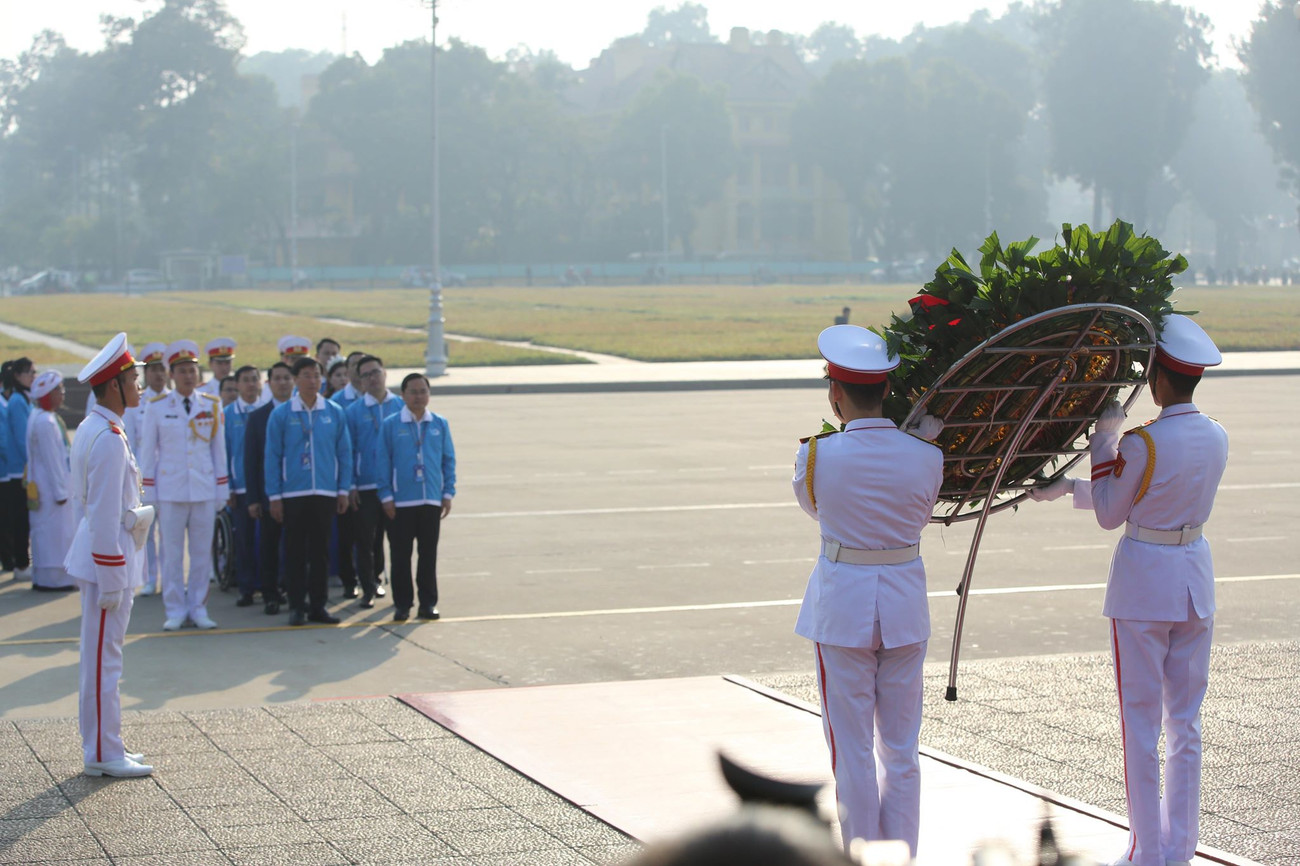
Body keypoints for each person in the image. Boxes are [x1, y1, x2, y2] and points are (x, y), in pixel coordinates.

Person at [1026, 315, 1228, 866]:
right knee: (1185, 725)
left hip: (1144, 588)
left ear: (1159, 375)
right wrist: (1068, 489)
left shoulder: (1143, 442)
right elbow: (1149, 496)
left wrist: (1103, 442)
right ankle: (1178, 850)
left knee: (1140, 725)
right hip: (1193, 581)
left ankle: (1146, 851)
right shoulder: (1216, 434)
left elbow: (1113, 512)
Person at [790, 325, 943, 857]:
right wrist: (914, 445)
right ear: (887, 389)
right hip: (903, 607)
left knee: (851, 751)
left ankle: (860, 856)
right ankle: (900, 857)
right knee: (901, 751)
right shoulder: (928, 455)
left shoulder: (815, 456)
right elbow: (922, 513)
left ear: (835, 392)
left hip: (843, 609)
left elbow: (816, 510)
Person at [65, 333, 153, 777]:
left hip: (104, 558)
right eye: (133, 379)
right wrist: (113, 579)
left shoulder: (98, 426)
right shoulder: (108, 437)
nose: (139, 386)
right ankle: (102, 753)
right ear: (114, 385)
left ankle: (107, 743)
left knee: (103, 658)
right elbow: (101, 515)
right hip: (107, 563)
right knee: (104, 661)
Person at [139, 339, 228, 631]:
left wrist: (221, 488)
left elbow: (218, 451)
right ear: (172, 375)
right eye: (182, 371)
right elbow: (148, 453)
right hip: (171, 489)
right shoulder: (156, 407)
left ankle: (199, 608)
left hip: (203, 488)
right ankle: (175, 609)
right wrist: (148, 492)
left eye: (192, 370)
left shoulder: (211, 404)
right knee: (172, 555)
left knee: (202, 554)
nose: (188, 376)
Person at [265, 357, 352, 626]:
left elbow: (344, 453)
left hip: (324, 491)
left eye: (316, 375)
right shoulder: (282, 414)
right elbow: (272, 456)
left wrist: (343, 489)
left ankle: (318, 606)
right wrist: (275, 496)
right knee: (294, 552)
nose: (313, 381)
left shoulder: (334, 411)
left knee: (320, 552)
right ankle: (296, 606)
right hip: (293, 493)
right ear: (295, 379)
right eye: (306, 375)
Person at [376, 373, 456, 621]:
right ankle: (402, 604)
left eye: (423, 391)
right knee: (400, 556)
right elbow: (382, 461)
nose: (418, 396)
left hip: (430, 500)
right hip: (400, 501)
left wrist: (447, 492)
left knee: (428, 555)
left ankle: (428, 603)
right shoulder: (391, 424)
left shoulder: (439, 423)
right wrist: (386, 496)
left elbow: (448, 460)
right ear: (403, 395)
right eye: (413, 392)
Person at [345, 355, 402, 607]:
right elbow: (347, 451)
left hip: (396, 487)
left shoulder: (400, 405)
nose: (372, 378)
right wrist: (351, 485)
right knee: (366, 539)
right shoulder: (353, 412)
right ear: (360, 381)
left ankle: (397, 591)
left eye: (375, 372)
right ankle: (367, 587)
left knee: (397, 541)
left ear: (384, 373)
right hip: (366, 486)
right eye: (365, 375)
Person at [244, 362, 294, 615]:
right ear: (269, 383)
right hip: (268, 495)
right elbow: (251, 461)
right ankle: (270, 594)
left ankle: (294, 593)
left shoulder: (302, 413)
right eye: (277, 378)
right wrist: (253, 498)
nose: (283, 383)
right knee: (269, 547)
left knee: (297, 548)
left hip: (297, 493)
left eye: (287, 378)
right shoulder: (258, 417)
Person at [123, 341, 169, 595]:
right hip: (146, 477)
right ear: (145, 374)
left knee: (170, 533)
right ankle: (150, 578)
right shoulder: (137, 403)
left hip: (171, 476)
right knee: (146, 532)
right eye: (153, 370)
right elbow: (129, 442)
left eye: (162, 369)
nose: (159, 374)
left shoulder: (174, 401)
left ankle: (169, 578)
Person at [26, 371, 75, 591]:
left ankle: (46, 577)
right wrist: (61, 492)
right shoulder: (45, 422)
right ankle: (56, 580)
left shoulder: (40, 416)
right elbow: (52, 460)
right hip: (52, 489)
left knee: (47, 534)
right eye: (58, 390)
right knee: (55, 536)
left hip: (46, 485)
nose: (62, 393)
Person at [224, 364, 262, 607]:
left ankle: (269, 585)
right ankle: (246, 587)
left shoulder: (267, 411)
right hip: (240, 488)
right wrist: (227, 486)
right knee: (244, 541)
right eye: (245, 380)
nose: (250, 384)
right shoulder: (226, 415)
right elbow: (223, 453)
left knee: (267, 540)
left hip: (265, 487)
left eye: (254, 379)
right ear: (237, 385)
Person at [4, 357, 36, 580]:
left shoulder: (24, 398)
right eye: (29, 373)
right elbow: (23, 439)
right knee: (20, 519)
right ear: (17, 376)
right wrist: (33, 463)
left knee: (23, 517)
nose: (33, 376)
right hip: (19, 470)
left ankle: (23, 562)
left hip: (23, 468)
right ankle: (22, 564)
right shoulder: (17, 401)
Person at [259, 335, 312, 405]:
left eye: (302, 361)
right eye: (294, 360)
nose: (298, 364)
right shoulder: (272, 385)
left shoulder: (312, 382)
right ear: (285, 359)